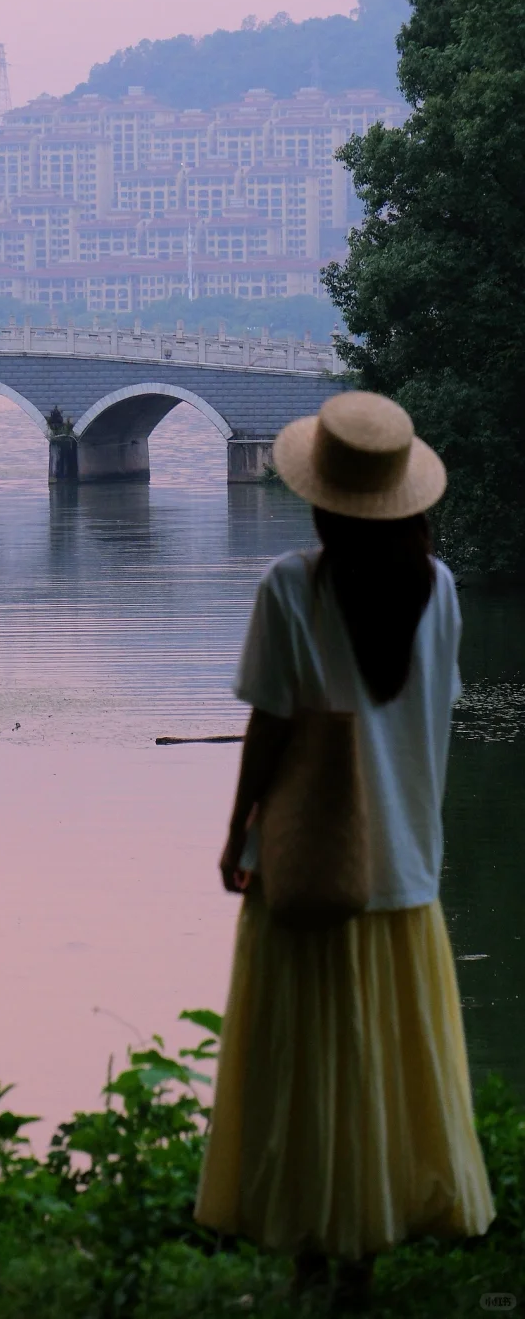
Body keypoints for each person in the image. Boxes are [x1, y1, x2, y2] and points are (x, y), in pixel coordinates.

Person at [195, 391, 494, 1309]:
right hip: (406, 868)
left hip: (312, 865)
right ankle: (368, 1249)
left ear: (322, 500)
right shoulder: (440, 590)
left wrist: (237, 831)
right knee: (385, 1065)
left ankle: (311, 1254)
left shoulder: (292, 587)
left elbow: (271, 727)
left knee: (307, 1062)